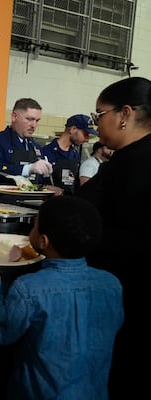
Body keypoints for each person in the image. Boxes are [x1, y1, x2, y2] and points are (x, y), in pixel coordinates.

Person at [0, 195, 123, 399]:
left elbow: (0, 332)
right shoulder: (112, 284)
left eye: (34, 225)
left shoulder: (28, 288)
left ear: (43, 241)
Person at [76, 76, 151, 397]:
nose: (95, 125)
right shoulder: (124, 157)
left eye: (98, 115)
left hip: (125, 297)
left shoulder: (135, 163)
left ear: (124, 114)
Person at [0, 98, 54, 203]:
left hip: (30, 207)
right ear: (14, 116)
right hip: (1, 206)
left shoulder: (35, 146)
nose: (34, 125)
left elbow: (38, 181)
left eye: (37, 120)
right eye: (29, 119)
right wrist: (27, 169)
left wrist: (46, 176)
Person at [41, 114, 97, 194]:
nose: (87, 139)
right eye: (85, 134)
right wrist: (46, 188)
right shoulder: (46, 152)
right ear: (73, 129)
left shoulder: (75, 154)